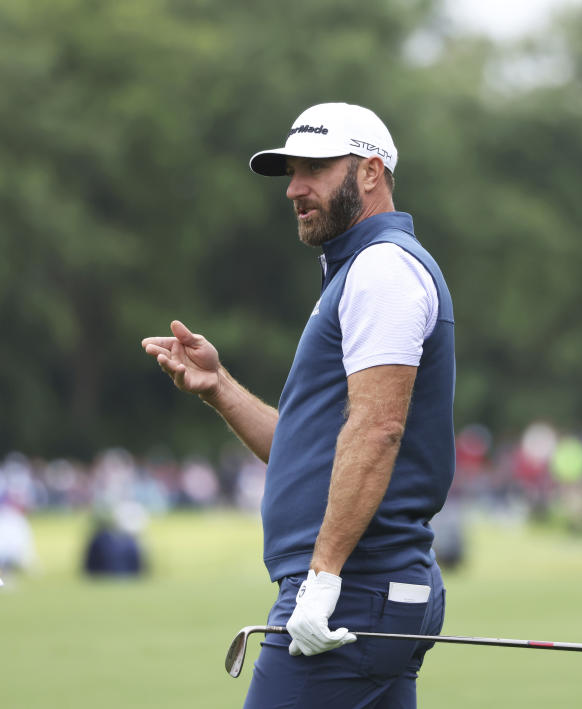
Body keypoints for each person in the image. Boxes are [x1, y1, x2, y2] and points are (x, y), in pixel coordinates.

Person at [142, 103, 456, 708]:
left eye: (315, 168)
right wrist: (220, 387)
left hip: (354, 587)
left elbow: (377, 431)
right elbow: (308, 452)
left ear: (370, 172)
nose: (294, 188)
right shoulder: (359, 270)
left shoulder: (382, 269)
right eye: (292, 171)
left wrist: (323, 579)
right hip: (370, 587)